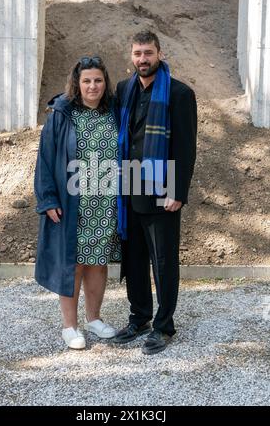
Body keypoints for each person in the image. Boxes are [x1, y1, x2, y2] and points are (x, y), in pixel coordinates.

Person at [114, 31, 197, 354]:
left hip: (162, 190)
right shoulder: (125, 89)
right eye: (137, 53)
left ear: (159, 54)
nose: (142, 59)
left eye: (148, 53)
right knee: (134, 260)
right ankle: (140, 318)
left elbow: (185, 148)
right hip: (129, 187)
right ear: (131, 56)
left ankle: (164, 326)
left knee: (163, 261)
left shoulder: (178, 93)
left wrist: (178, 192)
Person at [34, 56, 120, 350]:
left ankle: (94, 318)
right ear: (77, 83)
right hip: (73, 203)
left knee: (97, 262)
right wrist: (47, 199)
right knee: (74, 263)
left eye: (98, 80)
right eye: (87, 81)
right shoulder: (61, 114)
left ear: (105, 82)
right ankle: (70, 326)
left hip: (106, 202)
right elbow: (45, 159)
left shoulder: (114, 112)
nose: (93, 86)